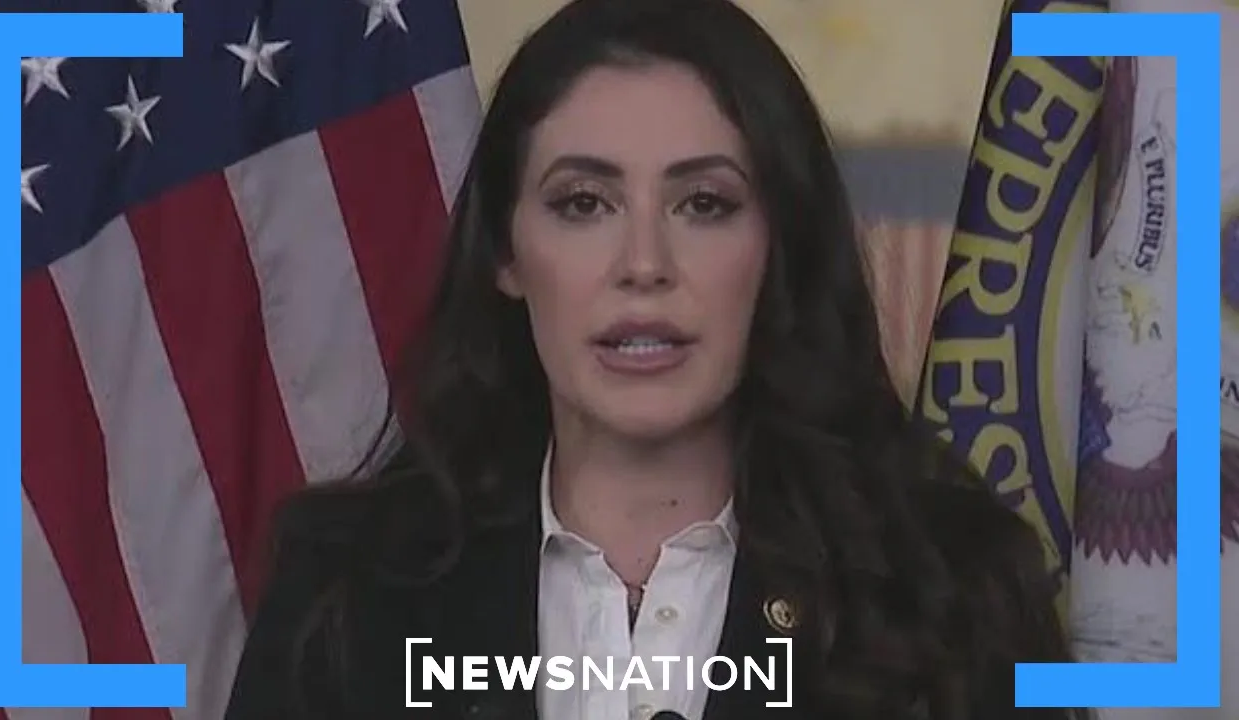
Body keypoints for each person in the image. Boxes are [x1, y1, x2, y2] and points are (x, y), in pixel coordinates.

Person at [224, 0, 1087, 718]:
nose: (644, 264)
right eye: (583, 203)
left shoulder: (952, 596)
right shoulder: (346, 593)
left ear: (778, 248)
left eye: (704, 203)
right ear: (506, 254)